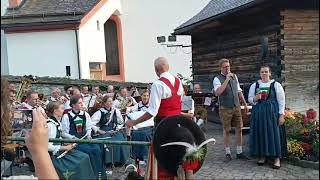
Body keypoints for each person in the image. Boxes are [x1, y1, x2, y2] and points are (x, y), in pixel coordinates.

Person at [125, 57, 184, 179]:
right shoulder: (179, 82)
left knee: (160, 155)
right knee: (174, 152)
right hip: (178, 125)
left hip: (163, 126)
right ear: (168, 67)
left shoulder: (158, 84)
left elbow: (152, 111)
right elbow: (178, 105)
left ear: (156, 70)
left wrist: (134, 122)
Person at [1, 79, 59, 179]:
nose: (37, 101)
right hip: (24, 138)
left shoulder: (39, 108)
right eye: (35, 99)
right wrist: (40, 151)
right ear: (28, 99)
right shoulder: (22, 109)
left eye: (38, 99)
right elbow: (16, 128)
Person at [248, 65, 287, 169]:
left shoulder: (276, 85)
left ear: (270, 73)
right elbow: (250, 99)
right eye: (262, 72)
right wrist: (256, 98)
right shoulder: (255, 85)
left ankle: (277, 158)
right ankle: (262, 156)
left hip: (272, 115)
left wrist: (281, 115)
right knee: (261, 134)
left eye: (266, 72)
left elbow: (281, 101)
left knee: (274, 135)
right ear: (260, 74)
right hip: (259, 115)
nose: (264, 74)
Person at [46, 101, 95, 179]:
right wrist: (65, 147)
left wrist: (69, 141)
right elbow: (47, 146)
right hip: (55, 156)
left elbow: (59, 136)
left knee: (84, 156)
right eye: (62, 108)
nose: (64, 110)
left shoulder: (56, 122)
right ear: (55, 111)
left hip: (60, 151)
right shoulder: (50, 125)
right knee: (82, 159)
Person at [213, 58, 249, 162]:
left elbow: (239, 91)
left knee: (239, 129)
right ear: (221, 68)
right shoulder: (217, 79)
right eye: (225, 67)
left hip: (236, 106)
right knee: (227, 130)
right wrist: (227, 79)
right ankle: (228, 153)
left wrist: (245, 104)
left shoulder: (235, 76)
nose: (227, 68)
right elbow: (218, 92)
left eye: (228, 66)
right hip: (225, 107)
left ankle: (239, 152)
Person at [61, 96, 106, 179]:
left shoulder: (85, 114)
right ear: (73, 105)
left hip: (85, 139)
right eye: (79, 103)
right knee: (90, 151)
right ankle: (90, 175)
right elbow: (63, 133)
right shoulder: (66, 116)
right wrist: (72, 138)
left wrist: (89, 135)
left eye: (82, 102)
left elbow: (89, 127)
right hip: (75, 141)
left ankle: (99, 174)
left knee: (97, 148)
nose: (82, 104)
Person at [91, 96, 130, 165]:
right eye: (109, 101)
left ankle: (120, 161)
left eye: (111, 101)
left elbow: (121, 122)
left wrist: (117, 128)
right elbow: (91, 124)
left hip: (114, 131)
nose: (111, 103)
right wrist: (98, 130)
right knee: (107, 142)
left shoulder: (116, 111)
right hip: (104, 132)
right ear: (104, 103)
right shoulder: (99, 113)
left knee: (121, 140)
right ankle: (108, 162)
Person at [127, 90, 153, 162]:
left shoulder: (152, 106)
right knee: (136, 134)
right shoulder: (137, 105)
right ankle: (136, 156)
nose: (146, 97)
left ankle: (145, 156)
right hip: (138, 126)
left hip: (149, 126)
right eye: (144, 95)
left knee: (145, 134)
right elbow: (129, 112)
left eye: (147, 96)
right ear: (141, 96)